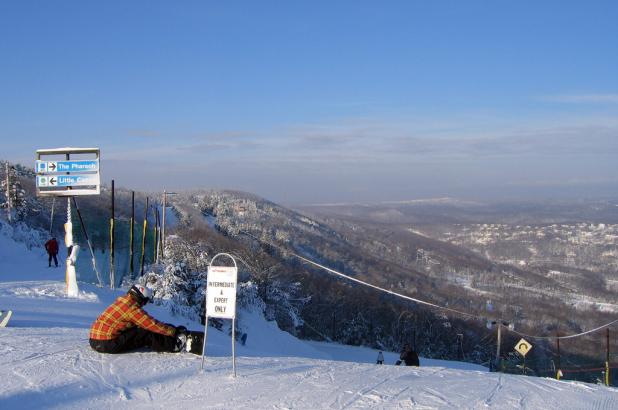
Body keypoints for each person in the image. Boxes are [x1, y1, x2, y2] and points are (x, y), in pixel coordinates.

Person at [89, 284, 191, 354]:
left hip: (94, 341)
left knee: (138, 328)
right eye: (145, 301)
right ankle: (174, 345)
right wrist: (173, 331)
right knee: (144, 331)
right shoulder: (132, 308)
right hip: (106, 343)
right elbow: (151, 325)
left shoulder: (121, 301)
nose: (144, 304)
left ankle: (169, 339)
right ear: (140, 298)